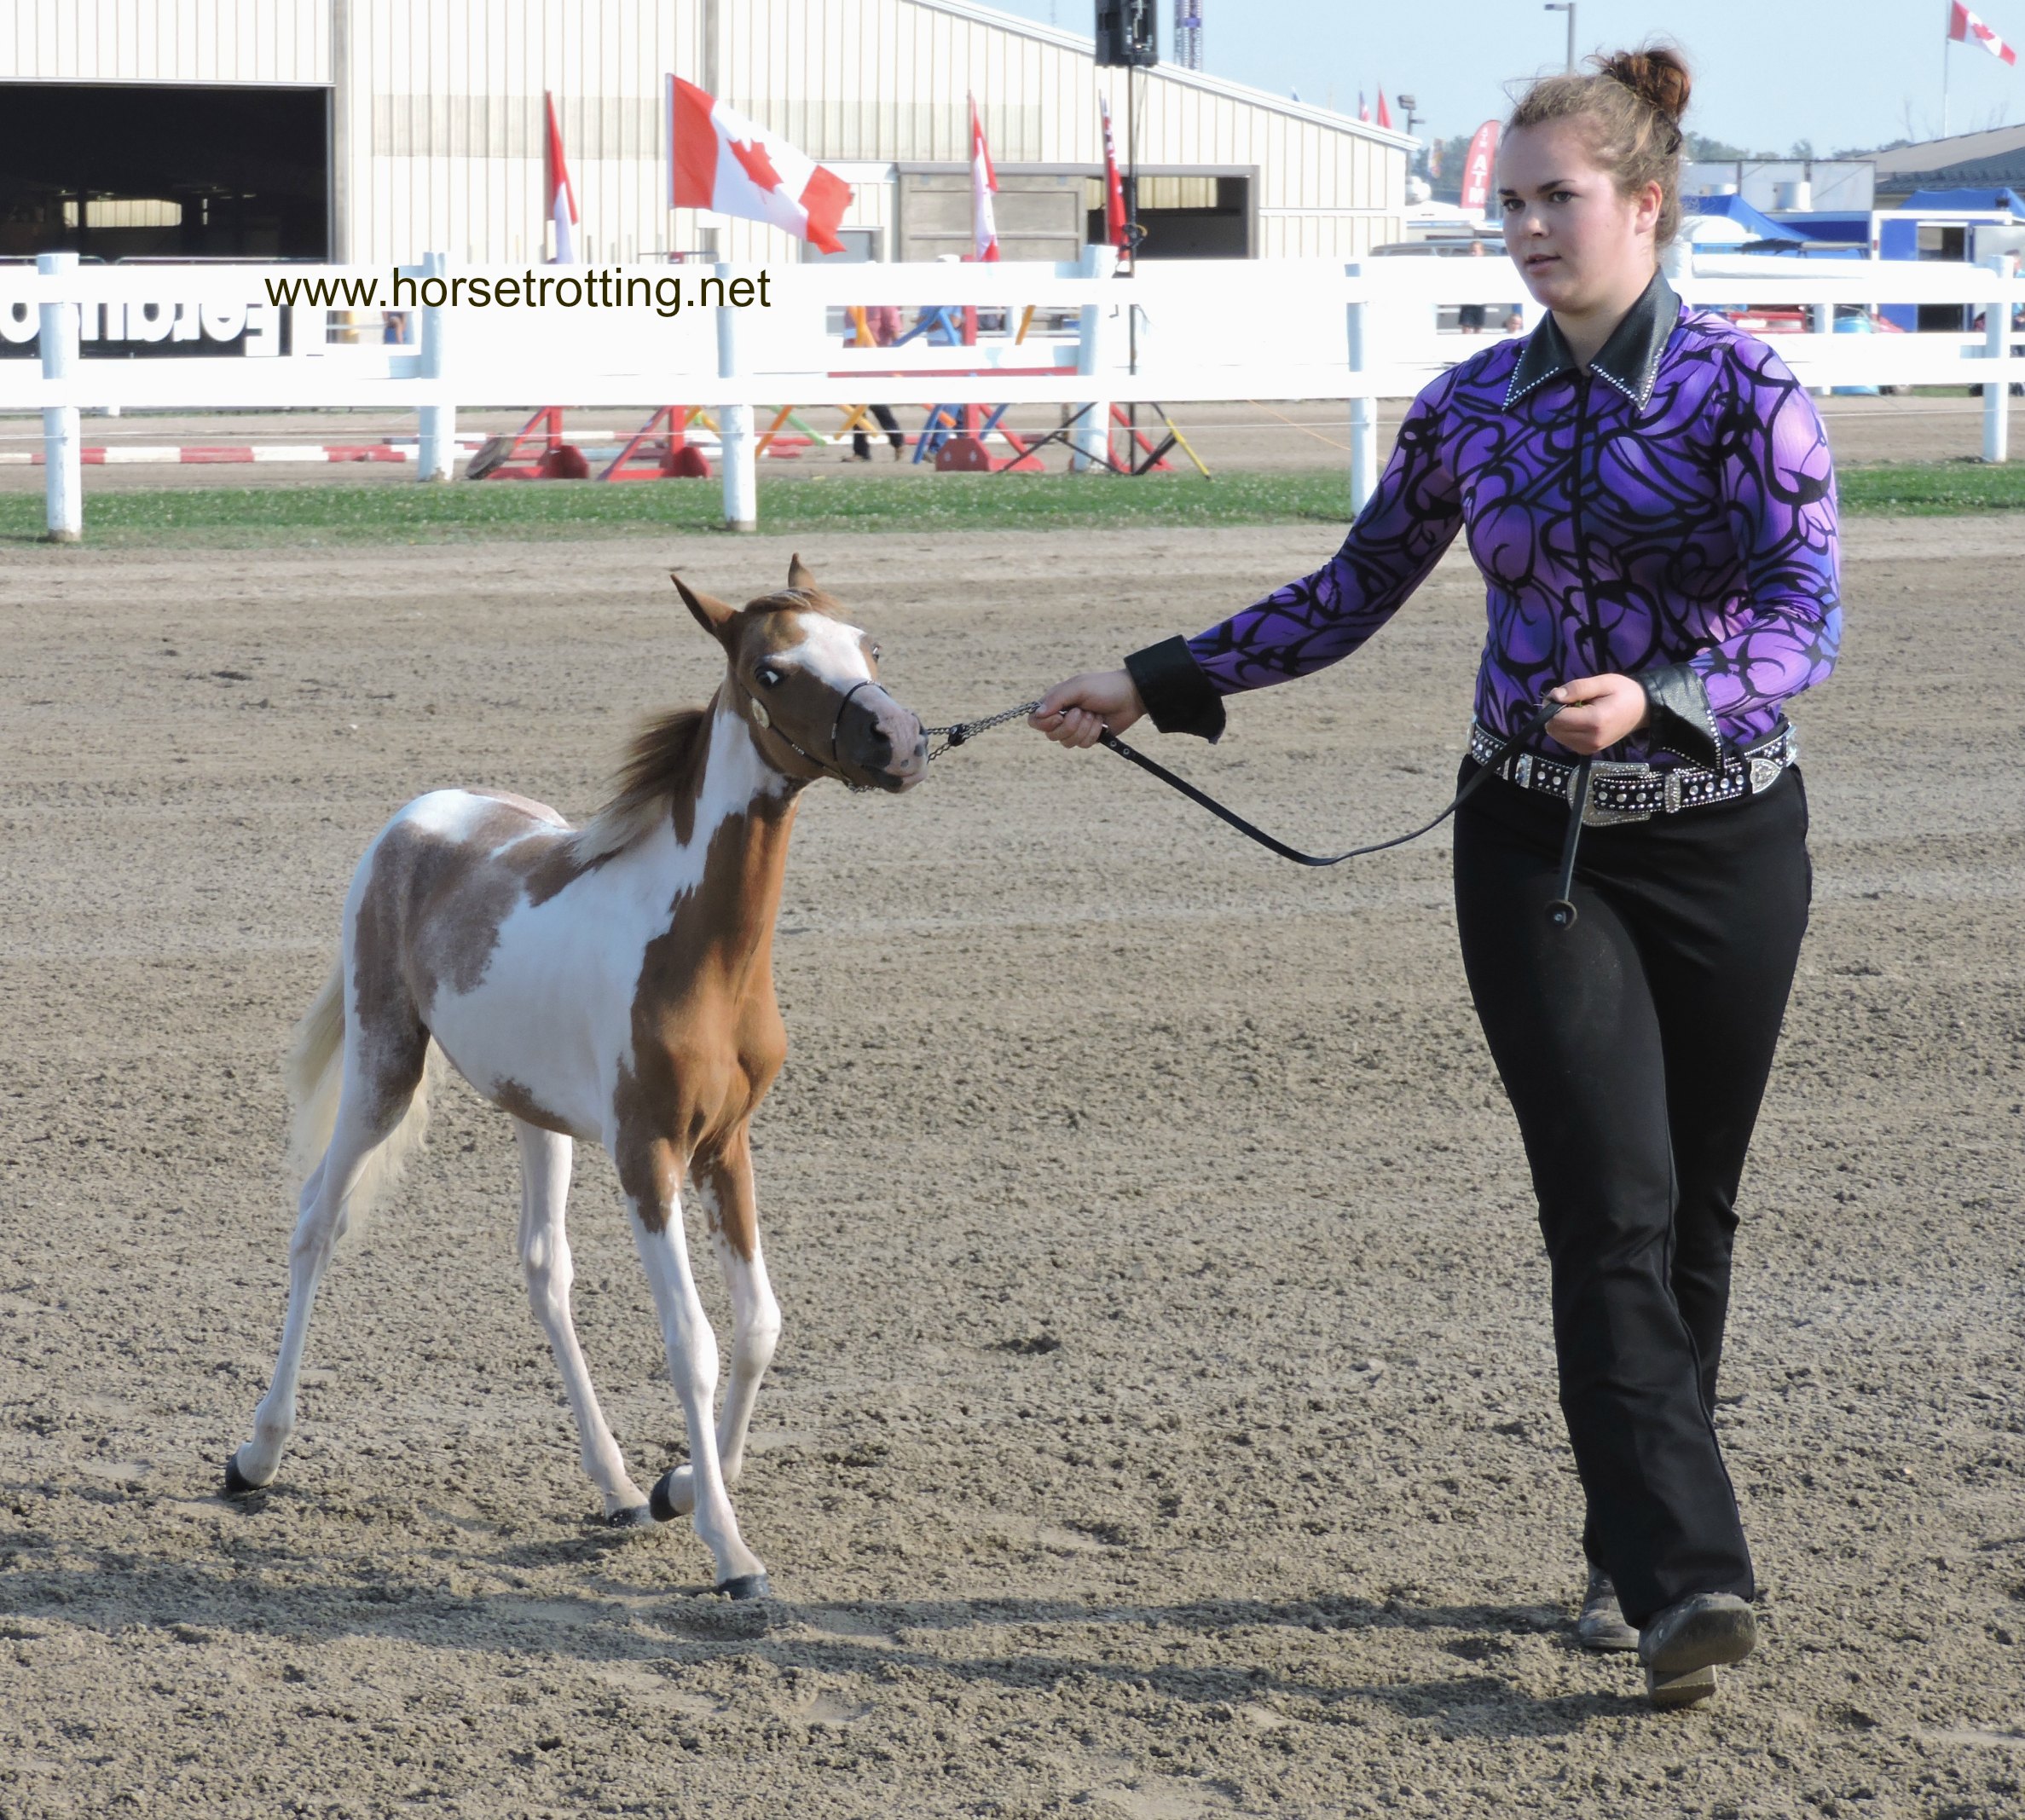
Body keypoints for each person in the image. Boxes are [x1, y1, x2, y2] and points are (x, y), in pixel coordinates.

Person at [1030, 45, 1838, 1711]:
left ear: (1644, 203)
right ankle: (1689, 1577)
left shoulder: (1747, 393)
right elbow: (1349, 590)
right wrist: (1152, 678)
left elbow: (1800, 615)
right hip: (1531, 845)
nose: (1528, 229)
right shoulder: (1469, 409)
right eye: (1511, 204)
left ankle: (1627, 1537)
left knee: (1690, 1206)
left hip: (1727, 842)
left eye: (1559, 198)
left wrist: (1659, 697)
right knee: (1607, 1199)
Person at [851, 304, 906, 460]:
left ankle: (897, 441)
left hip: (875, 361)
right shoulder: (850, 307)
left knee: (877, 405)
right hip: (855, 361)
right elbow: (848, 334)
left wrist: (894, 362)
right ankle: (861, 451)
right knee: (856, 408)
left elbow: (894, 331)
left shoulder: (883, 305)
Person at [1457, 236, 1489, 332]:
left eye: (1475, 251)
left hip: (1481, 300)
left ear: (1482, 252)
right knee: (1465, 325)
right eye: (1471, 251)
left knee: (1478, 326)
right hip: (1467, 300)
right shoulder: (1464, 265)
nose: (1472, 253)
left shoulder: (1487, 265)